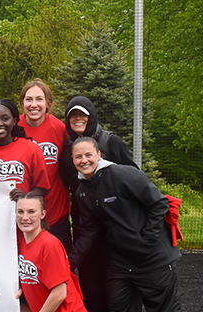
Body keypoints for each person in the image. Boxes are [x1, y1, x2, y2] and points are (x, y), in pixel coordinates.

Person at [68, 137, 181, 312]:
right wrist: (70, 262)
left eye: (88, 155)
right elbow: (89, 231)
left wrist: (147, 240)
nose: (84, 160)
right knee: (118, 306)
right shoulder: (82, 191)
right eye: (78, 157)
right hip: (121, 262)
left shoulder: (123, 174)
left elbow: (159, 204)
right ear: (73, 160)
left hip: (152, 259)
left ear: (98, 154)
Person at [58, 96, 138, 312]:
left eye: (82, 114)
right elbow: (67, 182)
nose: (77, 119)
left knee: (120, 289)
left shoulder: (111, 142)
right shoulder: (67, 148)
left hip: (116, 226)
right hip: (85, 224)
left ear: (91, 116)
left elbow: (135, 180)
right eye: (72, 115)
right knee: (91, 286)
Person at [18, 79, 72, 251]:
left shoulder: (59, 128)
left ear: (48, 103)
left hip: (56, 215)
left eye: (39, 99)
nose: (34, 105)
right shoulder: (14, 128)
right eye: (29, 99)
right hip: (23, 218)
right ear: (22, 103)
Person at [13, 190, 87, 312]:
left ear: (43, 214)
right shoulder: (20, 244)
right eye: (20, 212)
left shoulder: (49, 244)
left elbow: (59, 293)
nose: (25, 217)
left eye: (31, 212)